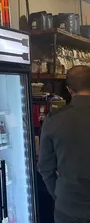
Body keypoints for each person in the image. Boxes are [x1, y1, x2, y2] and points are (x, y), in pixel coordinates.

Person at [39, 65, 90, 223]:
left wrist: (59, 194)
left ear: (69, 89)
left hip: (69, 207)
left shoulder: (55, 119)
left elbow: (45, 167)